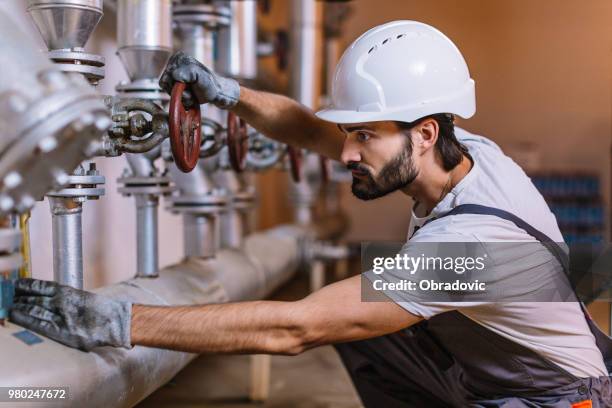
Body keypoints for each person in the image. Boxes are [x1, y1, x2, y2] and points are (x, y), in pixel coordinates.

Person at [10, 21, 612, 407]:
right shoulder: (465, 150)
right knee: (372, 334)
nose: (345, 152)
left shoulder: (472, 245)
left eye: (363, 138)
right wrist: (228, 93)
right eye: (353, 133)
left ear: (425, 133)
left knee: (338, 321)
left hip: (553, 397)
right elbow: (313, 131)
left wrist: (115, 321)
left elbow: (294, 328)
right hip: (491, 368)